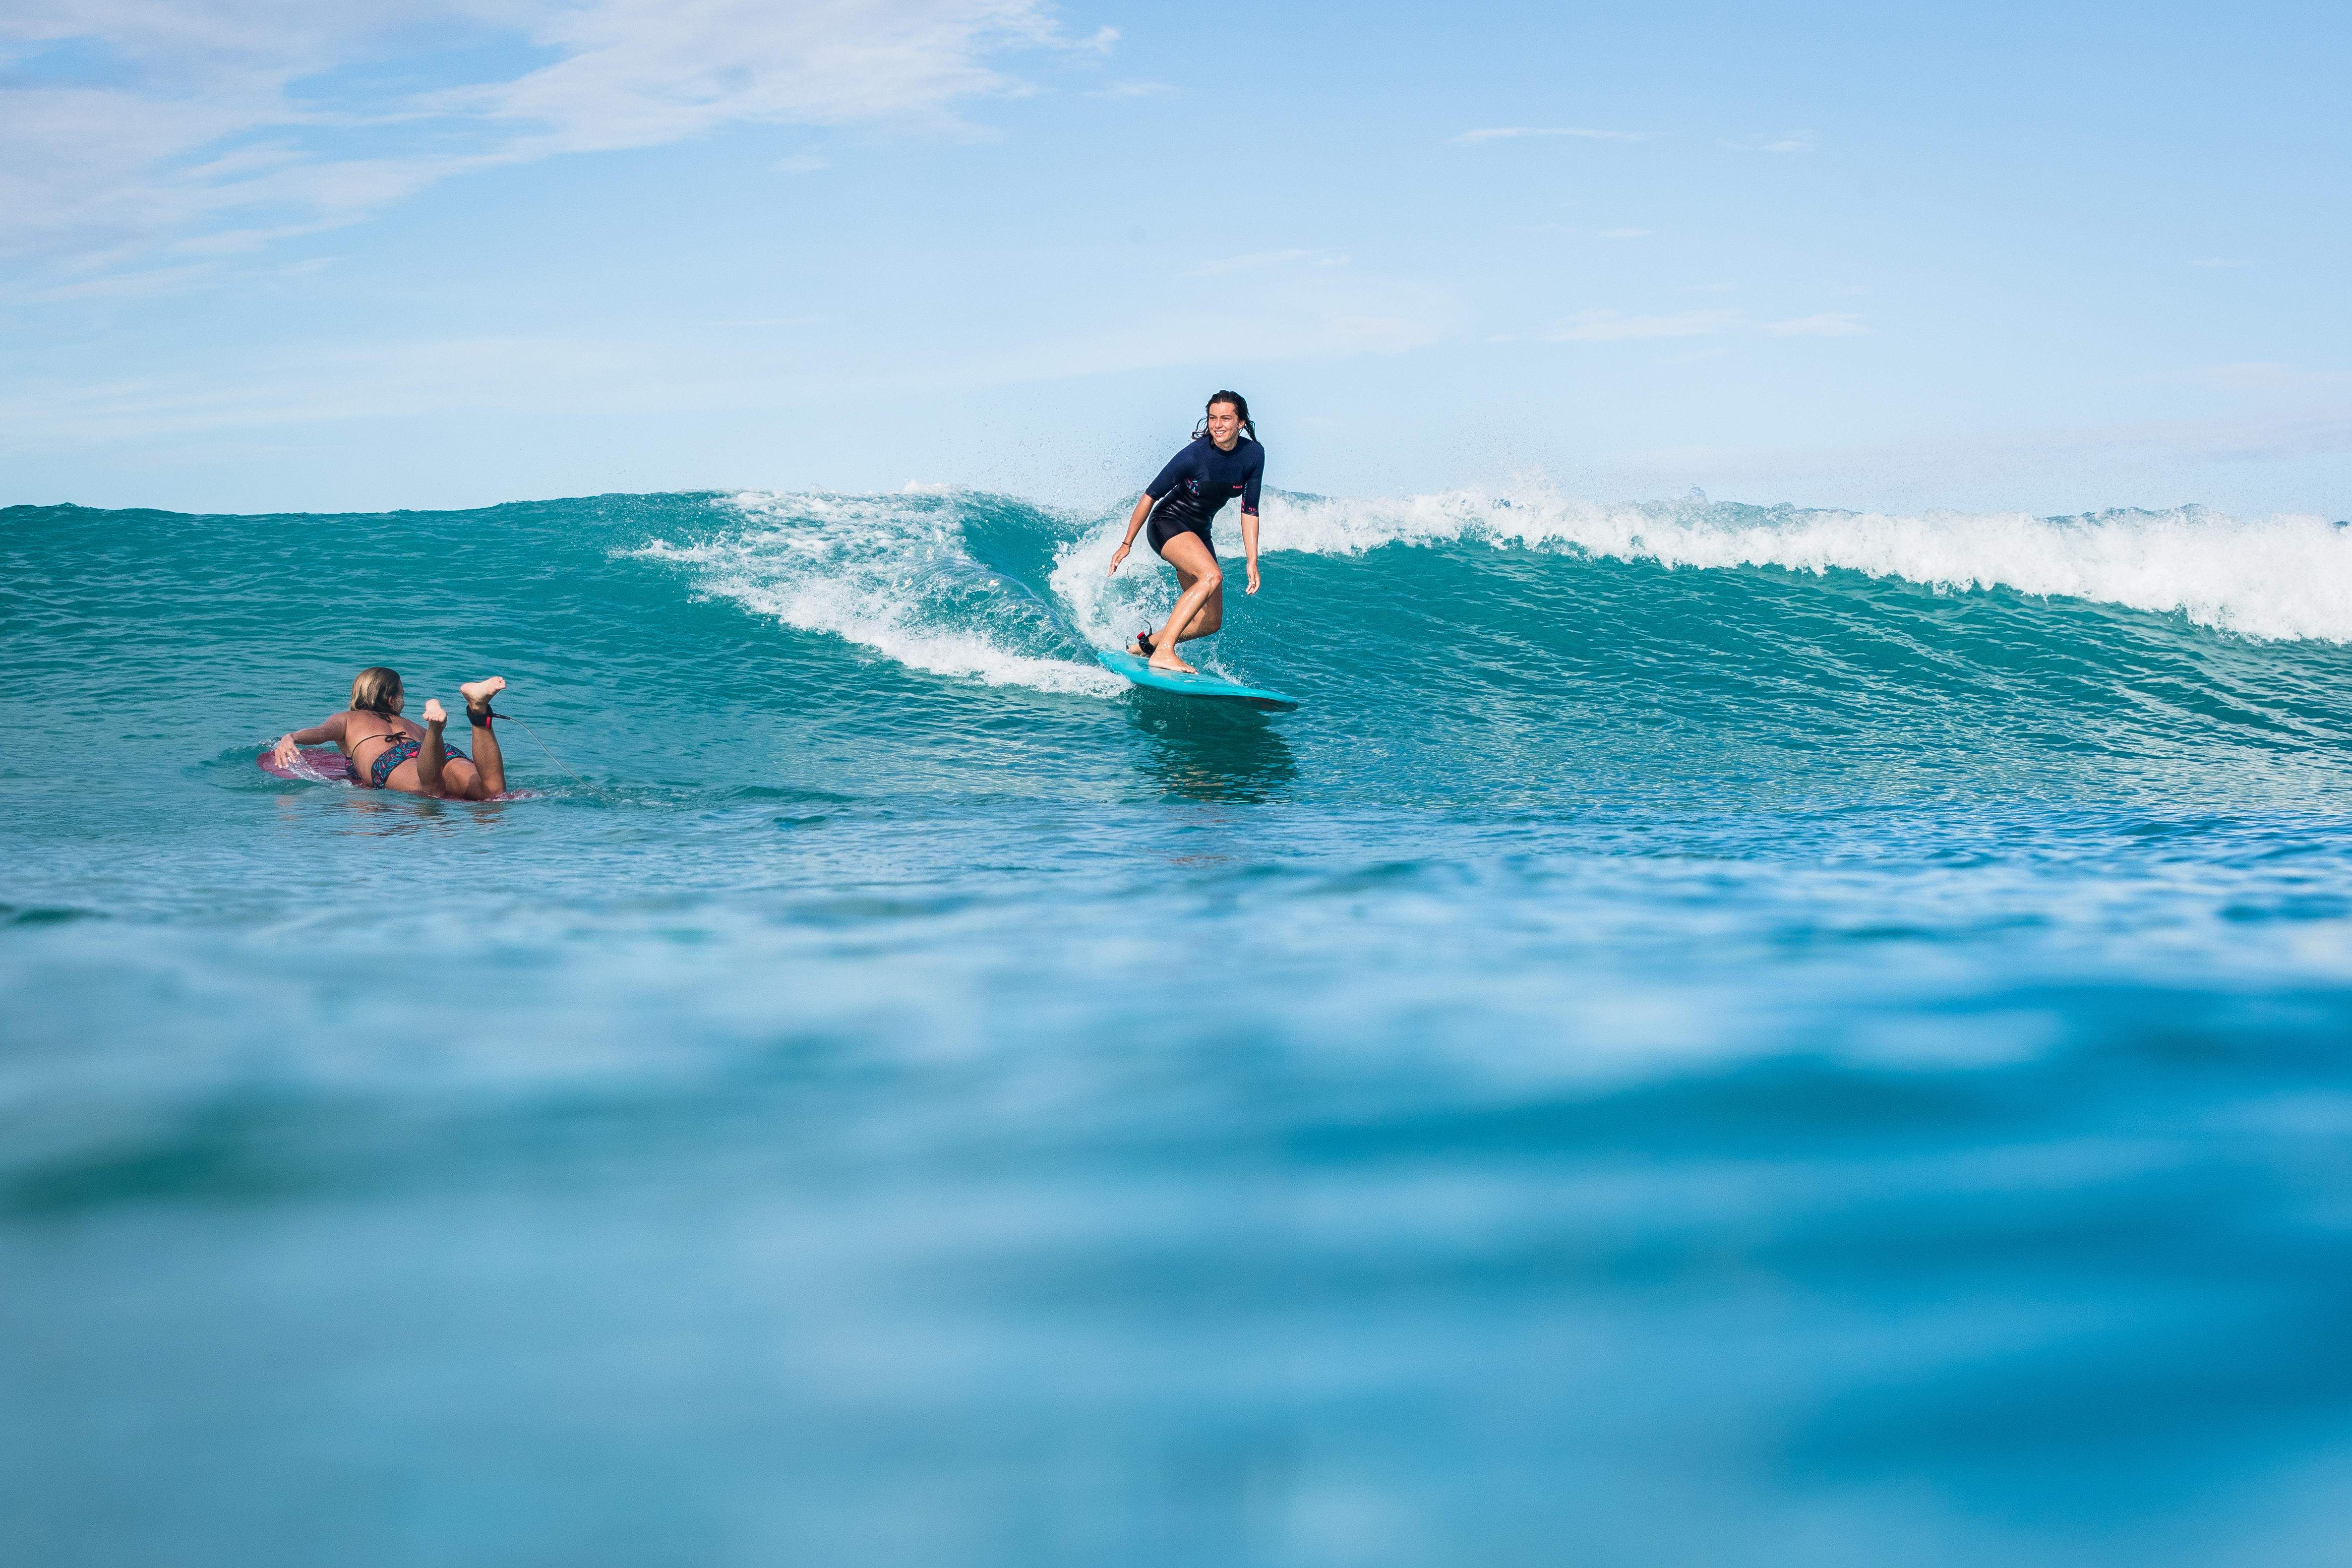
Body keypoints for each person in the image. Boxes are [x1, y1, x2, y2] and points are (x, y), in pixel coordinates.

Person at [1107, 390, 1264, 674]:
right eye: (1213, 418)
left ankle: (1144, 648)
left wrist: (1251, 559)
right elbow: (1150, 495)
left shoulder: (1254, 455)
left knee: (1210, 622)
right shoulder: (1195, 455)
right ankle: (1164, 653)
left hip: (1200, 532)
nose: (1218, 424)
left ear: (1241, 423)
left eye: (1226, 418)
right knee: (1212, 575)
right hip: (1167, 524)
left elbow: (1249, 509)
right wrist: (1126, 543)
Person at [272, 667, 510, 799]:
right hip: (435, 752)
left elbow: (320, 733)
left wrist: (291, 737)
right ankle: (478, 711)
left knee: (429, 789)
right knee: (492, 792)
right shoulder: (408, 724)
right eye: (403, 695)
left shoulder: (348, 719)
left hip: (393, 760)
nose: (403, 701)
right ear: (390, 699)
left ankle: (436, 728)